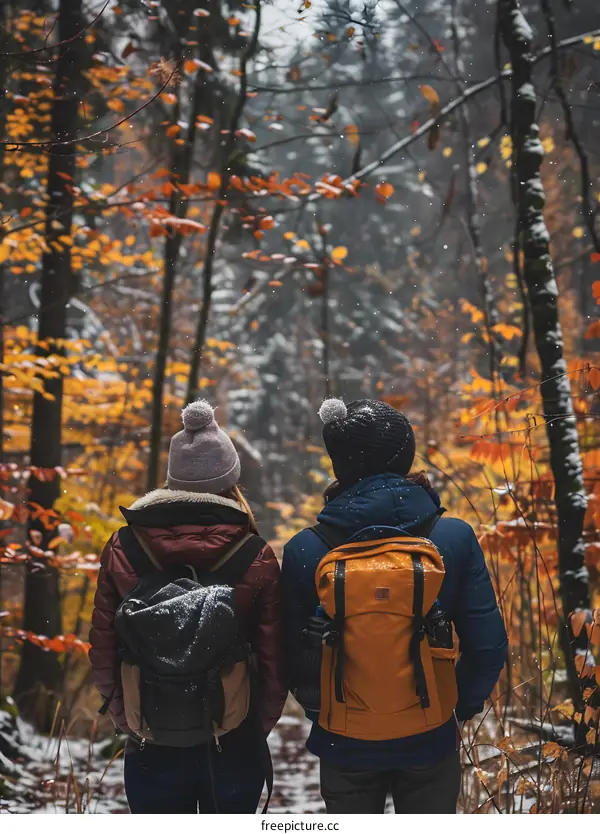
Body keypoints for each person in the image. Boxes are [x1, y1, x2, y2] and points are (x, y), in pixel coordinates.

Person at [282, 398, 508, 814]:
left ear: (340, 464)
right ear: (405, 456)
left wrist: (323, 711)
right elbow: (488, 646)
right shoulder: (452, 538)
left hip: (343, 741)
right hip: (430, 736)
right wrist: (454, 708)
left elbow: (293, 656)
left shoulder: (306, 549)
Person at [90, 400, 287, 814]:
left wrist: (127, 718)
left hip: (150, 729)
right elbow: (273, 654)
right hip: (233, 733)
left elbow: (104, 644)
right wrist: (254, 724)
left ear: (172, 479)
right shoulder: (253, 553)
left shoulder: (125, 546)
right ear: (231, 482)